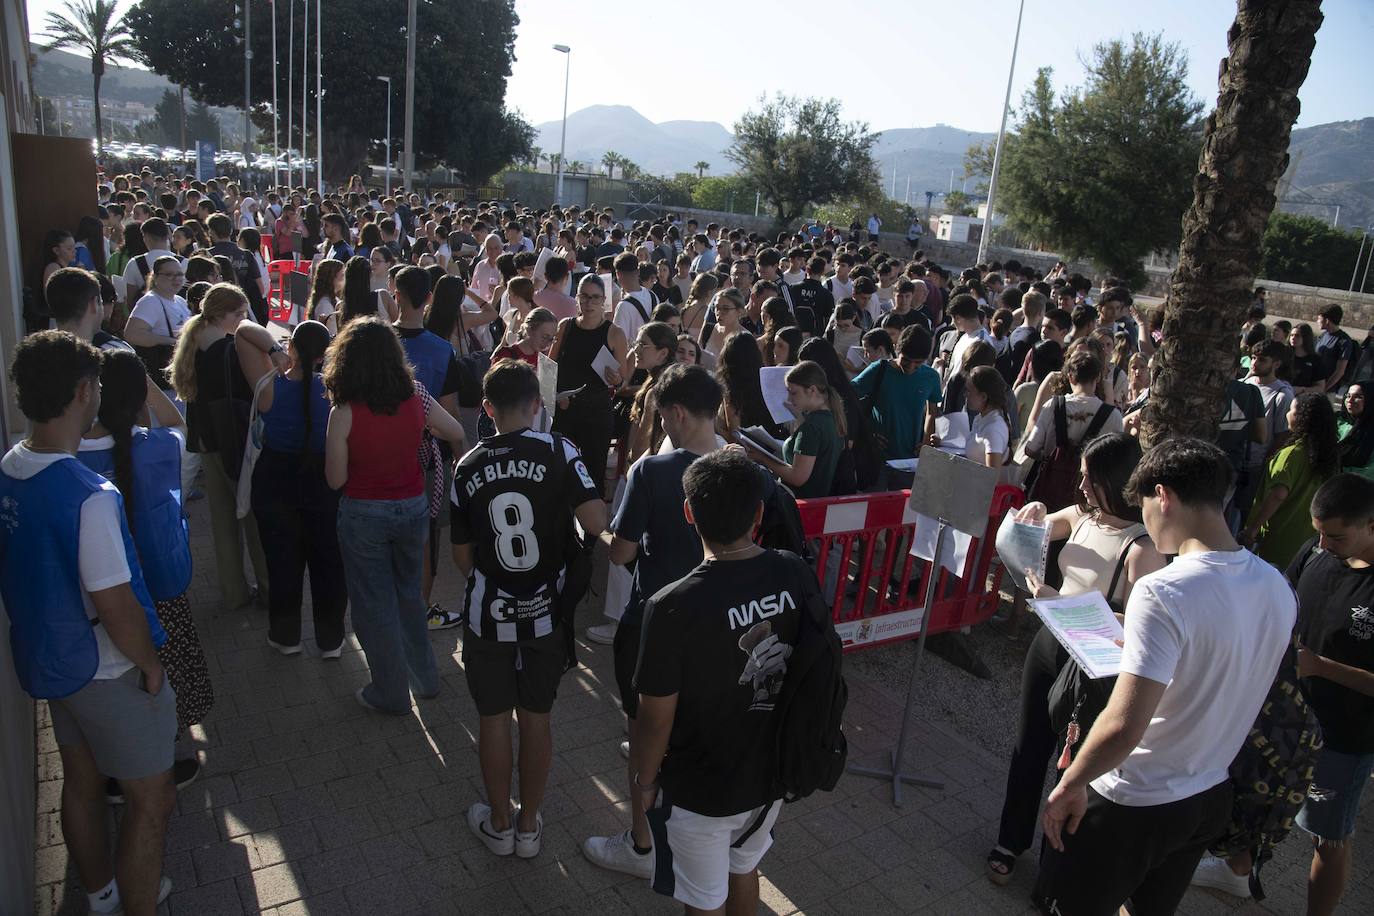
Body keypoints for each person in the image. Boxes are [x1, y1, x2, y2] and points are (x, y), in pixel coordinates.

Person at [1035, 437, 1296, 916]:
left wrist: (1071, 782)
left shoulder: (1164, 591)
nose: (1145, 522)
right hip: (1206, 795)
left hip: (1133, 797)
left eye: (1144, 507)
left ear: (1164, 496)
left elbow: (1123, 724)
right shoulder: (1277, 586)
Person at [0, 331, 176, 915]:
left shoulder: (12, 465)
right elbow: (115, 604)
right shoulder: (88, 494)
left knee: (79, 780)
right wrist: (151, 666)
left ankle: (100, 894)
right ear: (83, 391)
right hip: (106, 668)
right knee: (150, 799)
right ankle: (139, 905)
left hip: (51, 660)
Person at [634, 448, 829, 914]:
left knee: (703, 898)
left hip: (702, 787)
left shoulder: (670, 606)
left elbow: (655, 716)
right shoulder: (794, 570)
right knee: (743, 868)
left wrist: (643, 782)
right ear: (759, 512)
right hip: (772, 771)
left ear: (688, 513)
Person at [987, 432, 1164, 884]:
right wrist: (1036, 512)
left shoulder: (1142, 548)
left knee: (1073, 767)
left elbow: (1144, 624)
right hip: (1048, 646)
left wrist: (1061, 604)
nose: (1079, 485)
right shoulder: (1084, 516)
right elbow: (1040, 525)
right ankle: (1010, 840)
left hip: (1093, 666)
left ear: (1115, 480)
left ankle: (1056, 864)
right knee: (1028, 749)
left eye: (1088, 478)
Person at [450, 360, 606, 859]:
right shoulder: (561, 451)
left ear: (488, 409)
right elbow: (597, 519)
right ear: (537, 404)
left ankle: (498, 823)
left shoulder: (468, 464)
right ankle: (530, 825)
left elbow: (461, 556)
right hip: (546, 611)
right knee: (536, 717)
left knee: (493, 718)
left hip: (487, 612)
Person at [582, 364, 724, 878]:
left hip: (655, 624)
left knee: (644, 736)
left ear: (679, 413)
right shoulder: (743, 467)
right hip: (720, 627)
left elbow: (621, 554)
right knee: (694, 730)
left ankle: (642, 846)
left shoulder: (653, 472)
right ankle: (692, 834)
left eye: (663, 416)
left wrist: (595, 530)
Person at [323, 317, 465, 713]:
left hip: (363, 513)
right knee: (409, 596)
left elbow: (335, 480)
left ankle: (389, 691)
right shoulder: (417, 394)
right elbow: (453, 429)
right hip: (412, 508)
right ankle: (425, 679)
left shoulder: (344, 411)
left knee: (372, 604)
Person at [1279, 475, 1374, 915]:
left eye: (1335, 535)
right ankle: (1237, 871)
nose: (1322, 543)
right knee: (1258, 798)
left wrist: (1321, 667)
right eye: (1317, 531)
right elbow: (1283, 601)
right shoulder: (1317, 551)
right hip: (1287, 715)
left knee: (1326, 835)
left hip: (1345, 738)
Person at [243, 321, 347, 657]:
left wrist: (276, 352)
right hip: (324, 481)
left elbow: (244, 328)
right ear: (324, 355)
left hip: (274, 480)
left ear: (292, 348)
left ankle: (285, 635)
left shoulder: (268, 386)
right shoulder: (336, 392)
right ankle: (331, 640)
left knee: (282, 562)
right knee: (328, 562)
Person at [170, 284, 275, 611]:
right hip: (235, 442)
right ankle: (270, 589)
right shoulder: (229, 351)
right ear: (220, 314)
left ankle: (234, 592)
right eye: (239, 314)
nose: (243, 320)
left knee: (223, 522)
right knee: (254, 520)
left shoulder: (193, 342)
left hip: (206, 441)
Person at [550, 274, 627, 500]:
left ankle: (592, 530)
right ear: (577, 298)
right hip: (564, 411)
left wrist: (617, 380)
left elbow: (622, 381)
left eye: (595, 297)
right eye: (584, 296)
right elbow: (548, 369)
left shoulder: (614, 333)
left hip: (596, 414)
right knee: (561, 472)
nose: (589, 303)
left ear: (604, 300)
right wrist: (554, 397)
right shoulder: (565, 326)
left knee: (593, 474)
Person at [1243, 392, 1340, 569]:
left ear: (1302, 418)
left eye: (1291, 410)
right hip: (1308, 538)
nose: (1287, 414)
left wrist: (1253, 528)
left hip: (1280, 536)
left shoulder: (1292, 454)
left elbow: (1278, 494)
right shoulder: (1328, 456)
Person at [851, 325, 943, 487]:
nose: (911, 368)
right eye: (906, 360)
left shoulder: (931, 377)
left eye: (918, 363)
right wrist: (868, 432)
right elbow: (848, 397)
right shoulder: (878, 370)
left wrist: (926, 442)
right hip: (879, 460)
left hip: (912, 460)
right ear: (895, 349)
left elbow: (932, 412)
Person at [742, 360, 845, 498]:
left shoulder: (811, 427)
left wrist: (763, 458)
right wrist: (798, 416)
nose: (789, 399)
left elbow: (797, 477)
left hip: (800, 503)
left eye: (794, 393)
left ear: (812, 390)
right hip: (816, 501)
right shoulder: (831, 418)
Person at [625, 322, 679, 464]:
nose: (636, 349)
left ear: (663, 353)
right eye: (636, 343)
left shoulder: (657, 390)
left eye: (643, 345)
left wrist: (631, 466)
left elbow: (644, 439)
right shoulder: (668, 379)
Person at [964, 366, 1011, 469]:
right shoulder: (980, 419)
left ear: (983, 397)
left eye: (969, 391)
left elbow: (991, 478)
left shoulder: (993, 430)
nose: (965, 395)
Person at [1315, 304, 1357, 394]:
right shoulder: (1323, 335)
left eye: (1319, 319)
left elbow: (1340, 371)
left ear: (1327, 320)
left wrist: (1324, 388)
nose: (1317, 321)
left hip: (1328, 391)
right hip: (1314, 385)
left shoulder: (1344, 341)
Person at [1338, 382, 1374, 478]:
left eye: (1358, 397)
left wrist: (1337, 471)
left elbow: (1370, 472)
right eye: (1348, 395)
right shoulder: (1337, 420)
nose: (1350, 400)